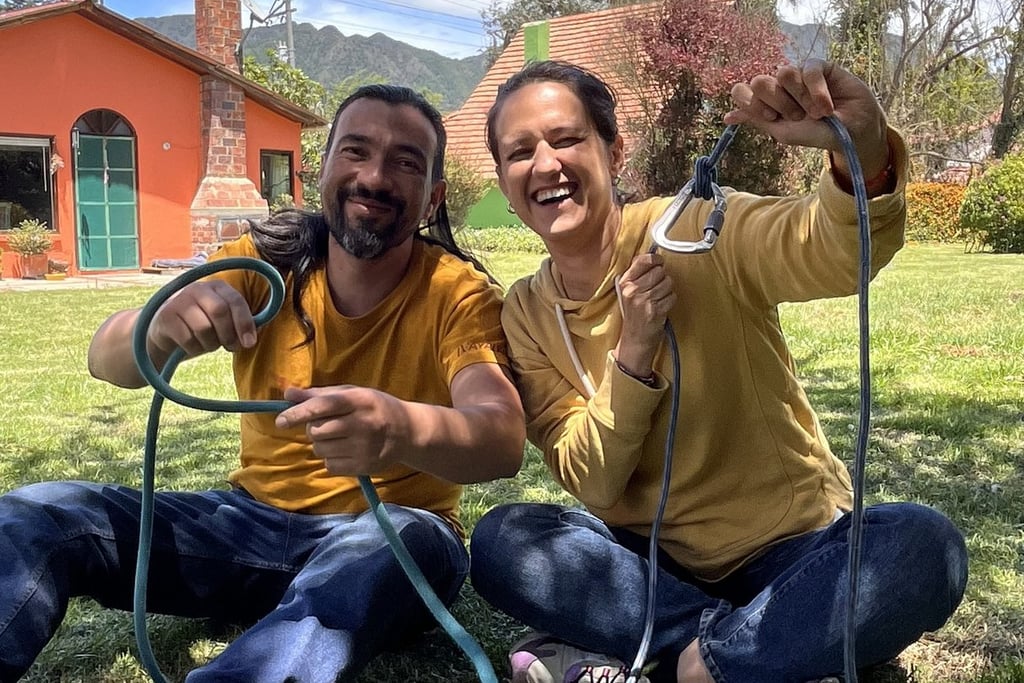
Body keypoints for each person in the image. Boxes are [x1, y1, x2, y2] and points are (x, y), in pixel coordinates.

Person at [0, 84, 525, 682]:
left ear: (432, 198)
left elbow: (501, 438)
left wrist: (400, 428)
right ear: (319, 170)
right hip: (245, 527)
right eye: (355, 151)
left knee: (397, 539)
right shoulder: (264, 260)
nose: (375, 176)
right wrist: (158, 326)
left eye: (405, 162)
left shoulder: (457, 294)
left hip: (392, 537)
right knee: (39, 512)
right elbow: (105, 359)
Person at [468, 59, 968, 683]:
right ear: (505, 185)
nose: (545, 165)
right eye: (520, 153)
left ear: (615, 151)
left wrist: (860, 152)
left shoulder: (697, 227)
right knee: (503, 540)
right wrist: (633, 353)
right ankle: (758, 646)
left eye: (566, 139)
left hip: (790, 553)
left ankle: (696, 661)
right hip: (649, 569)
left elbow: (832, 251)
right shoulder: (525, 310)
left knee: (924, 547)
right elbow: (592, 483)